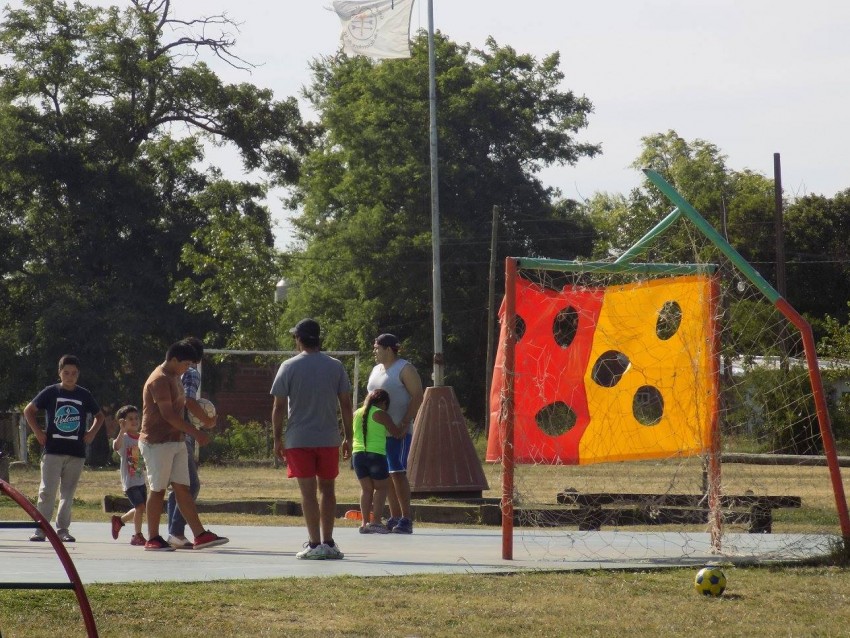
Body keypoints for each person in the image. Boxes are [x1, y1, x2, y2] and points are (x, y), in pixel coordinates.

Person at [271, 318, 353, 559]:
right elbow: (346, 404)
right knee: (328, 489)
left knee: (307, 493)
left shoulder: (288, 366)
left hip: (299, 439)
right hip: (328, 437)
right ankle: (328, 542)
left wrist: (277, 438)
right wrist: (349, 437)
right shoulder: (335, 366)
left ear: (299, 339)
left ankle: (314, 543)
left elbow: (278, 406)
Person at [139, 340, 228, 551]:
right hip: (157, 442)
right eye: (186, 364)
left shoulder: (175, 376)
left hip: (176, 441)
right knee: (158, 490)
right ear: (174, 359)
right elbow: (168, 415)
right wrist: (196, 432)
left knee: (183, 488)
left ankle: (200, 534)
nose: (187, 368)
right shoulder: (159, 380)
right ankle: (153, 538)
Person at [24, 354, 105, 542]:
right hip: (52, 450)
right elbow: (29, 410)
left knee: (67, 493)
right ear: (60, 373)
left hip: (76, 452)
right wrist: (38, 432)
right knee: (47, 492)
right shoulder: (51, 392)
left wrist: (91, 432)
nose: (70, 377)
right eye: (66, 373)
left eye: (74, 373)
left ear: (78, 374)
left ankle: (63, 530)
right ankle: (41, 529)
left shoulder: (84, 394)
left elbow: (99, 416)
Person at [366, 333, 424, 534]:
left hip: (398, 432)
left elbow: (418, 395)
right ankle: (395, 515)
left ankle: (406, 518)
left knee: (397, 473)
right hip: (378, 433)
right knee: (385, 475)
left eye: (377, 348)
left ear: (389, 349)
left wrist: (404, 422)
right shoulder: (375, 370)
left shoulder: (404, 368)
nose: (374, 351)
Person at [166, 337, 216, 549]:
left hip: (168, 434)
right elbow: (189, 400)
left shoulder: (169, 372)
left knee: (175, 487)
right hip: (182, 433)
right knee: (190, 485)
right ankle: (176, 532)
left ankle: (174, 532)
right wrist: (206, 422)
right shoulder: (191, 372)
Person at [352, 388, 404, 533]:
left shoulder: (356, 413)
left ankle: (364, 523)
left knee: (366, 489)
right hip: (375, 455)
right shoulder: (380, 414)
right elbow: (396, 433)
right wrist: (406, 424)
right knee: (381, 488)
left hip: (358, 455)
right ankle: (375, 522)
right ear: (383, 402)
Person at [110, 405, 147, 546]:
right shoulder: (124, 438)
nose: (134, 421)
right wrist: (122, 431)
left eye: (136, 418)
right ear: (123, 421)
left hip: (141, 480)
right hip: (130, 482)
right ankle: (137, 536)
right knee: (139, 508)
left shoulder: (142, 437)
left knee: (142, 508)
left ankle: (119, 521)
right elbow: (116, 447)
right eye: (130, 419)